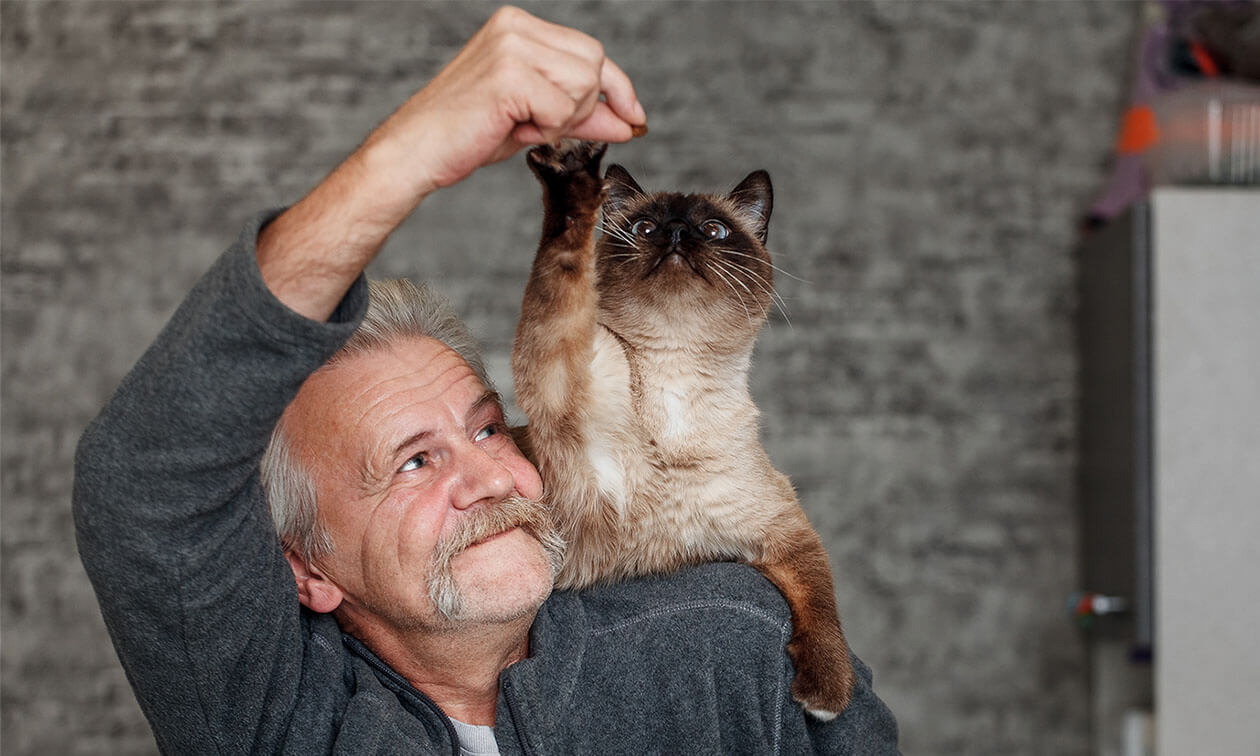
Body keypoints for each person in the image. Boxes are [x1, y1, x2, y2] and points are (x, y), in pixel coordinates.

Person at [73, 6, 899, 754]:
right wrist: (415, 148)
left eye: (489, 429)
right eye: (414, 461)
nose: (493, 477)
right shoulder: (280, 722)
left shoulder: (736, 639)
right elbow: (141, 486)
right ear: (306, 569)